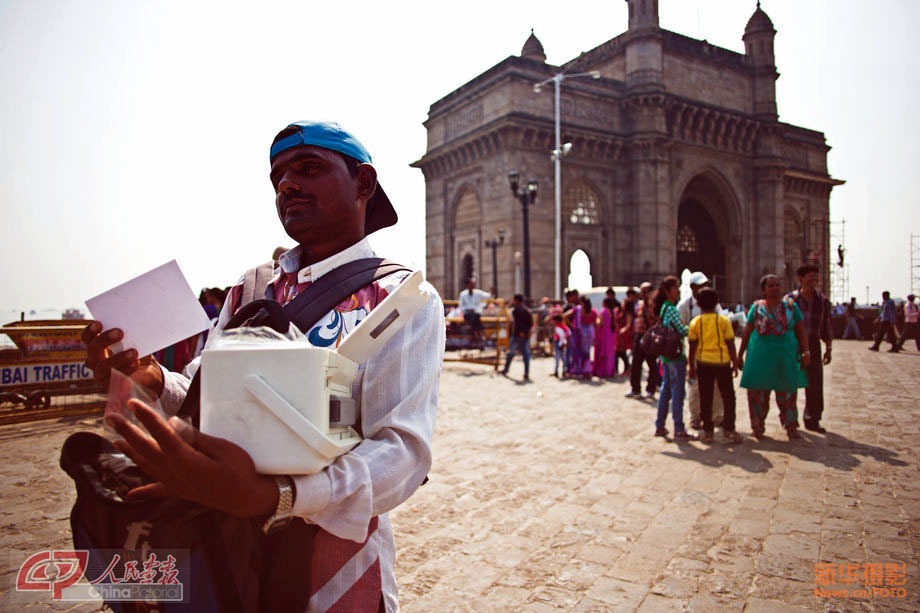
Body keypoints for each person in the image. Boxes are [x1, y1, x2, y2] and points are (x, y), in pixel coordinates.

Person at [82, 120, 444, 611]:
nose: (288, 185)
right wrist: (150, 379)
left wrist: (279, 496)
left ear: (363, 183)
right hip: (222, 554)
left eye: (309, 168)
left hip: (334, 572)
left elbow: (402, 452)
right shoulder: (250, 289)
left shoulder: (402, 299)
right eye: (278, 178)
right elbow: (199, 394)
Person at [738, 274, 810, 440]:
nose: (775, 288)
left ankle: (791, 425)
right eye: (771, 286)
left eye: (777, 285)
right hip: (759, 357)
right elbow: (747, 332)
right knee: (757, 393)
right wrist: (740, 354)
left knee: (787, 392)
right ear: (764, 290)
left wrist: (806, 351)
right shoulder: (756, 308)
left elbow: (800, 330)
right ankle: (757, 426)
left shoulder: (791, 307)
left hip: (784, 356)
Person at [687, 288, 742, 444]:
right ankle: (729, 431)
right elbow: (730, 344)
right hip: (722, 363)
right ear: (717, 302)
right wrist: (735, 362)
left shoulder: (696, 322)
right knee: (728, 397)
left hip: (704, 364)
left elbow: (692, 348)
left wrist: (691, 367)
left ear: (698, 304)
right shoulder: (724, 321)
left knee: (706, 397)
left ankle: (708, 431)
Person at [786, 264, 833, 433]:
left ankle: (812, 418)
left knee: (815, 382)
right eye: (810, 277)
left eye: (816, 277)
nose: (814, 280)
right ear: (801, 279)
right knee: (790, 380)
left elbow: (826, 325)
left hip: (813, 343)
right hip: (793, 343)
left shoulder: (822, 300)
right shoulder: (790, 300)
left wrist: (828, 346)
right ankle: (790, 419)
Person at [678, 272, 725, 431]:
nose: (704, 288)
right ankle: (695, 417)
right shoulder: (685, 305)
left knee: (716, 387)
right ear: (692, 288)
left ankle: (717, 416)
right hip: (695, 353)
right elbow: (679, 326)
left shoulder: (715, 304)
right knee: (695, 386)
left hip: (714, 352)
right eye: (700, 285)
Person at [653, 276, 697, 441]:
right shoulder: (671, 308)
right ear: (668, 290)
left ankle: (660, 425)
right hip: (675, 355)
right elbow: (682, 330)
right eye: (676, 288)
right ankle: (679, 428)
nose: (678, 291)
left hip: (665, 356)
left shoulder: (663, 307)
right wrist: (694, 325)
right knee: (678, 392)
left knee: (665, 391)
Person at [627, 281, 660, 399]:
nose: (643, 294)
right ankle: (635, 388)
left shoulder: (655, 305)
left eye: (646, 291)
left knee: (651, 364)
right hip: (639, 336)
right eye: (642, 292)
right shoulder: (639, 304)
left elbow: (657, 321)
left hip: (650, 337)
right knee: (635, 363)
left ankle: (650, 389)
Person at [502, 293, 533, 380]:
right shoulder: (526, 310)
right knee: (525, 354)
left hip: (518, 335)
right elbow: (530, 323)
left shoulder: (518, 310)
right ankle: (526, 373)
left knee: (512, 353)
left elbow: (520, 323)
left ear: (516, 300)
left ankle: (506, 369)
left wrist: (522, 332)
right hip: (523, 335)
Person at [459, 278, 490, 346]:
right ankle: (480, 334)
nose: (472, 286)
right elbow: (461, 306)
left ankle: (475, 334)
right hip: (467, 314)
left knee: (475, 317)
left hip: (475, 314)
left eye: (473, 284)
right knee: (475, 318)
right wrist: (467, 309)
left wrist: (492, 292)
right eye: (470, 284)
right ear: (467, 285)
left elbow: (488, 296)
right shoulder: (463, 294)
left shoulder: (478, 293)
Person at [593, 296, 617, 377]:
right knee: (609, 353)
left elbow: (600, 323)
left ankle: (602, 371)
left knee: (601, 352)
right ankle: (609, 370)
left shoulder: (604, 311)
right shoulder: (613, 312)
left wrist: (595, 320)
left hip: (603, 334)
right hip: (611, 335)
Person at [575, 295, 598, 378]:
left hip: (583, 331)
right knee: (588, 351)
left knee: (584, 352)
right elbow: (596, 324)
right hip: (591, 331)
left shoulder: (580, 311)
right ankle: (588, 369)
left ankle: (585, 370)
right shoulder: (593, 311)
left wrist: (571, 325)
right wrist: (596, 335)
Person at [614, 289, 635, 375]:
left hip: (623, 335)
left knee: (620, 352)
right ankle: (626, 368)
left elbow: (628, 325)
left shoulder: (628, 313)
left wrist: (622, 330)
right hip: (619, 334)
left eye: (623, 303)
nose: (622, 304)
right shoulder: (621, 312)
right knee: (619, 352)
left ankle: (626, 368)